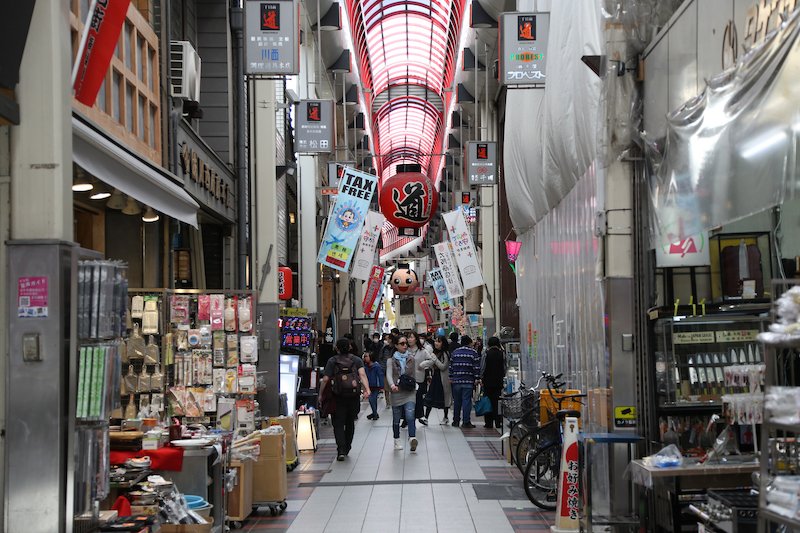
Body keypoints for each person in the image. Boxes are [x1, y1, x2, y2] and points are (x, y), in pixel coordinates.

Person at [319, 338, 371, 461]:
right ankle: (347, 447)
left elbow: (326, 379)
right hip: (353, 396)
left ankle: (341, 450)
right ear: (350, 347)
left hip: (337, 396)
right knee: (350, 422)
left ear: (336, 348)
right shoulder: (357, 360)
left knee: (338, 424)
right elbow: (362, 375)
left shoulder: (332, 361)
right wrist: (367, 389)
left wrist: (321, 394)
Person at [386, 335, 419, 452]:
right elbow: (389, 374)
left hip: (409, 392)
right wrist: (392, 385)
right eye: (402, 343)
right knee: (396, 419)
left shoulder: (411, 359)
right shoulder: (391, 360)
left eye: (406, 343)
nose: (405, 345)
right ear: (396, 345)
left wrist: (415, 387)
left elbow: (414, 375)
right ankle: (397, 440)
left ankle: (412, 438)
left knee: (410, 415)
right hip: (396, 392)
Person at [449, 335, 480, 428]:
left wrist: (451, 377)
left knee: (457, 402)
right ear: (469, 342)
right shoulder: (473, 353)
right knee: (466, 401)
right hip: (468, 381)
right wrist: (477, 378)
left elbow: (451, 366)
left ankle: (456, 421)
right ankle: (466, 421)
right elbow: (476, 367)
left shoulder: (455, 352)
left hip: (456, 381)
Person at [420, 334, 452, 424]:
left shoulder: (445, 354)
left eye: (439, 341)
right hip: (435, 378)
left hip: (442, 379)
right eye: (436, 341)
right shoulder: (435, 352)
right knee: (430, 396)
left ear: (443, 343)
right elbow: (431, 363)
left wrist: (434, 359)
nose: (436, 343)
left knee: (444, 399)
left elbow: (443, 367)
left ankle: (445, 417)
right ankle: (426, 418)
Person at [406, 331, 432, 425]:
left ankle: (416, 416)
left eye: (411, 337)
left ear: (416, 339)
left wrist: (422, 365)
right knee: (408, 399)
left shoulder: (422, 351)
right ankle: (407, 418)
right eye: (408, 337)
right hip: (407, 379)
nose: (409, 339)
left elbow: (431, 360)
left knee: (417, 399)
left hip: (418, 378)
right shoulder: (405, 350)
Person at [481, 337, 506, 429]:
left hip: (487, 381)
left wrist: (481, 377)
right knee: (497, 402)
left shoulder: (486, 353)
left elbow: (483, 367)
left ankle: (488, 423)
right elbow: (504, 368)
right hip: (498, 382)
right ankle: (498, 422)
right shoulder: (502, 354)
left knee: (488, 401)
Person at [363, 352, 384, 420]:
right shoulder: (366, 366)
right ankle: (374, 413)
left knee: (372, 400)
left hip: (375, 386)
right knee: (371, 400)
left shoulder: (376, 366)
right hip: (369, 386)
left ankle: (374, 413)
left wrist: (381, 386)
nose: (365, 358)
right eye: (365, 356)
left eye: (366, 356)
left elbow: (380, 376)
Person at [379, 333, 396, 408]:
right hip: (385, 370)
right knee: (386, 388)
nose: (387, 340)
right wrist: (382, 368)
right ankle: (388, 402)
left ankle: (394, 401)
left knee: (393, 386)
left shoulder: (396, 348)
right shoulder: (384, 348)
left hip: (394, 370)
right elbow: (381, 358)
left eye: (388, 338)